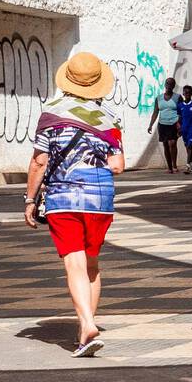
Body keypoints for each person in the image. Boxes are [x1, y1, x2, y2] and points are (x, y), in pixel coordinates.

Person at [25, 52, 125, 358]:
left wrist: (30, 200)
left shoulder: (51, 114)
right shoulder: (109, 118)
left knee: (74, 263)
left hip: (63, 199)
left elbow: (39, 162)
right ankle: (85, 330)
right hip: (100, 199)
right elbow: (118, 165)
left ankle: (87, 324)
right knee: (91, 264)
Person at [147, 76, 181, 173]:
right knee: (166, 145)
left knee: (172, 143)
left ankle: (174, 165)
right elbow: (155, 112)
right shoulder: (159, 98)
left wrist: (180, 123)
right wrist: (150, 125)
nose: (168, 85)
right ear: (165, 85)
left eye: (171, 84)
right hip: (162, 124)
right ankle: (169, 167)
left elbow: (181, 111)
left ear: (174, 86)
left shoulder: (178, 97)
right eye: (167, 83)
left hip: (174, 123)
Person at [177, 84, 192, 174]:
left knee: (190, 146)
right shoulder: (180, 106)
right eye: (185, 92)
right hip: (184, 129)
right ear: (183, 93)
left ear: (191, 94)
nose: (187, 94)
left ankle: (187, 166)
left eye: (189, 93)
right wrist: (178, 127)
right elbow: (179, 118)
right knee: (187, 147)